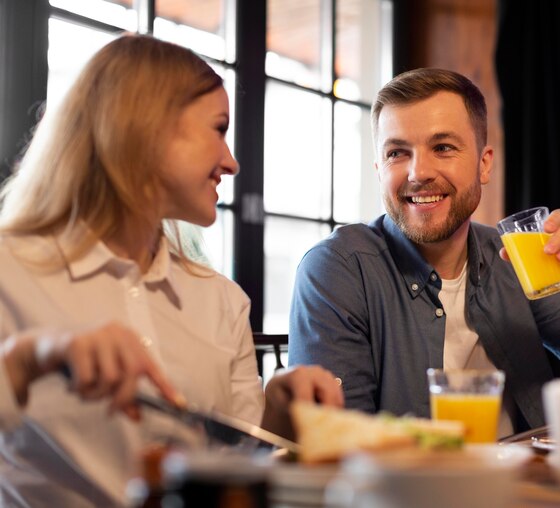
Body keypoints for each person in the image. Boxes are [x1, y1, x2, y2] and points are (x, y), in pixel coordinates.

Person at [0, 35, 343, 508]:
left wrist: (281, 418)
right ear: (146, 128)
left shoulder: (222, 300)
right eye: (219, 129)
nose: (232, 162)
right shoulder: (8, 269)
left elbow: (241, 465)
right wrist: (27, 359)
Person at [289, 67, 560, 437]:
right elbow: (335, 441)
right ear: (379, 169)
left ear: (484, 164)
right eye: (397, 152)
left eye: (443, 148)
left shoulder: (513, 259)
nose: (418, 172)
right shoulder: (338, 269)